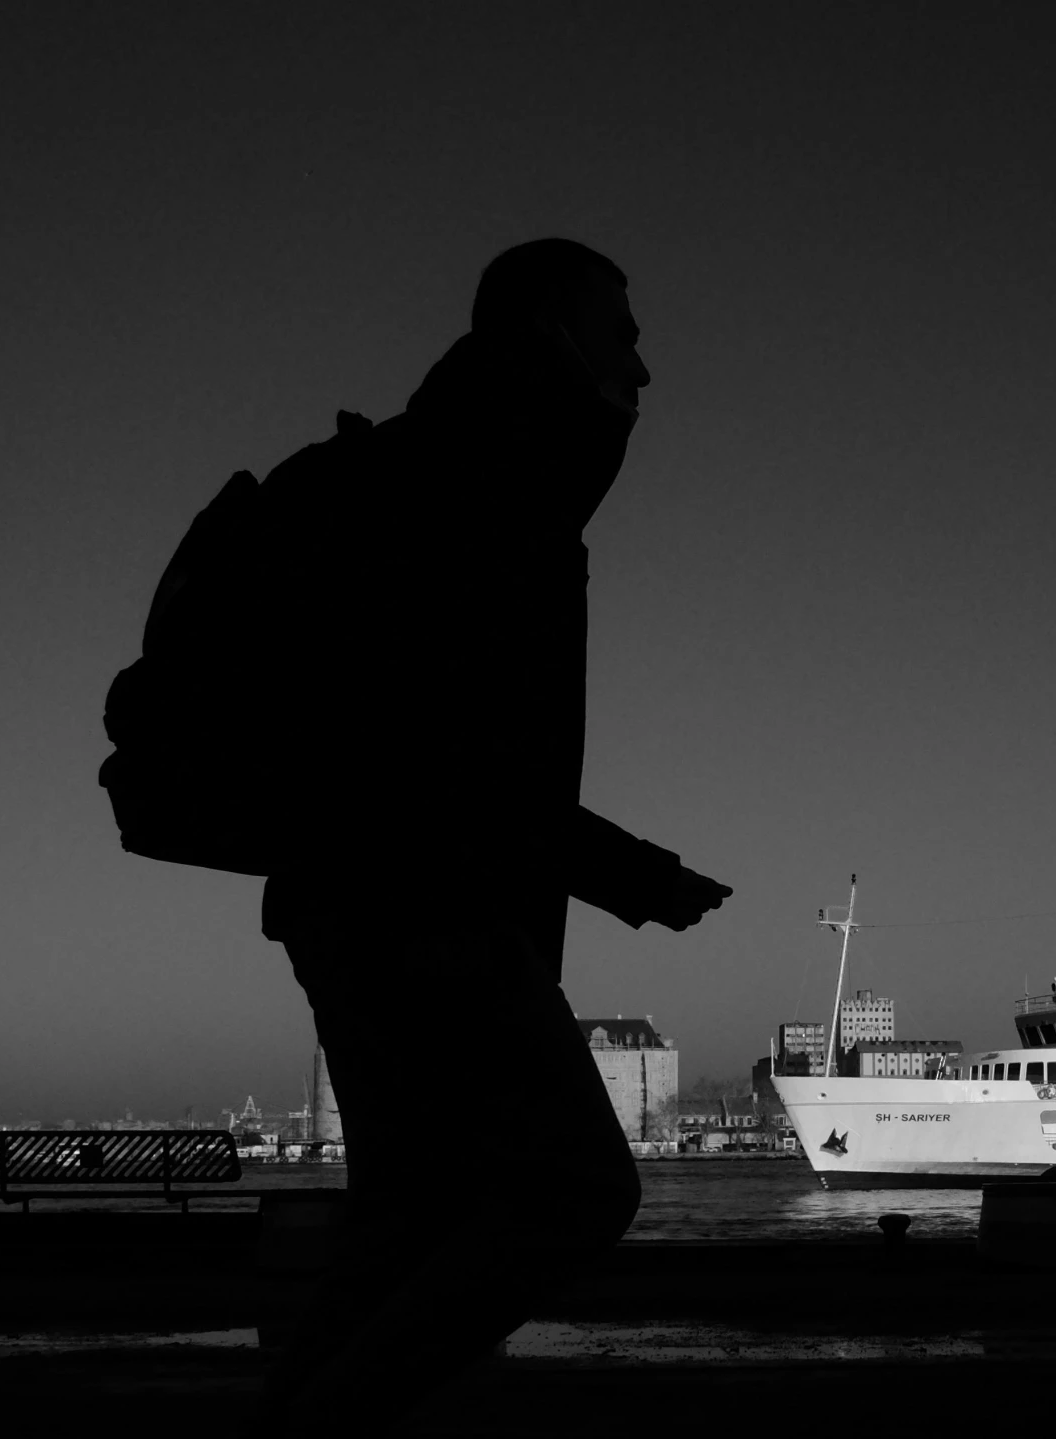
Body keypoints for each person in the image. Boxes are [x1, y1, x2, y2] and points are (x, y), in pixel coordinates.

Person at [249, 239, 731, 1434]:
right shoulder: (482, 486)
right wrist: (626, 870)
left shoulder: (442, 471)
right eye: (622, 334)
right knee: (574, 1188)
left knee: (405, 1218)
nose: (646, 369)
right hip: (421, 894)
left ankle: (291, 1428)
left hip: (348, 891)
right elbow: (445, 759)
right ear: (552, 331)